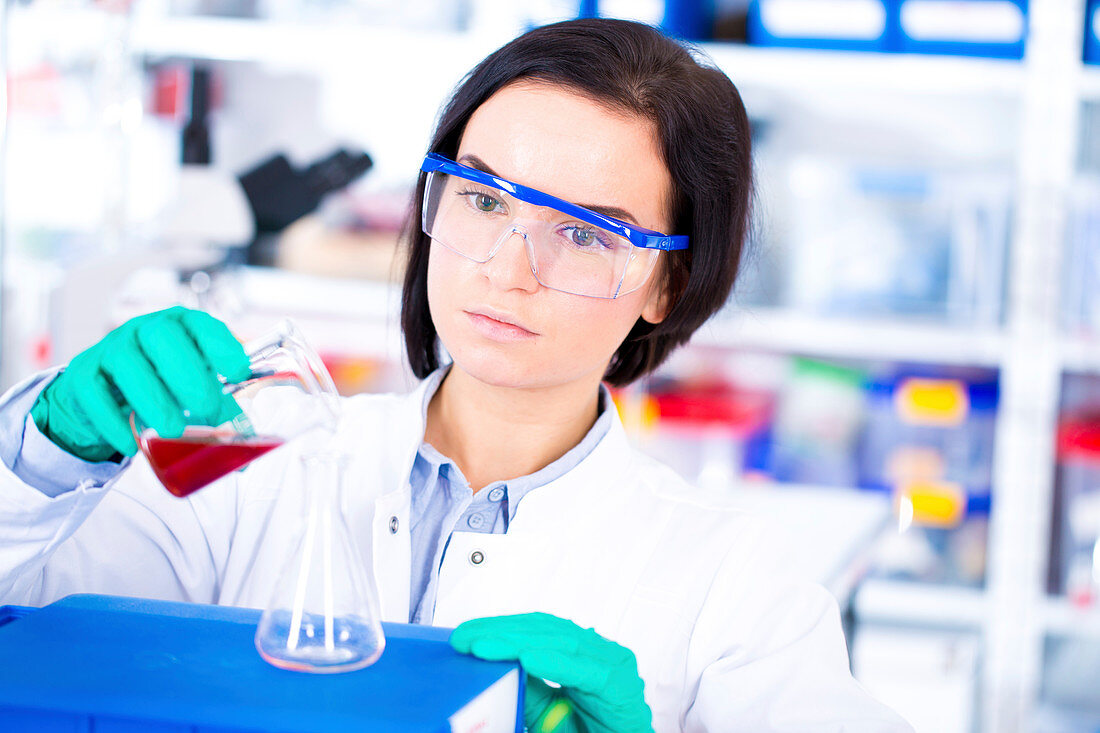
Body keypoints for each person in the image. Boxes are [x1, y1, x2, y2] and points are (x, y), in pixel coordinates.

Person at [0, 18, 912, 733]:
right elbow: (29, 644)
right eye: (481, 198)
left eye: (586, 232)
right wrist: (44, 457)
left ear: (667, 281)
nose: (506, 267)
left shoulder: (734, 583)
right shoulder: (246, 479)